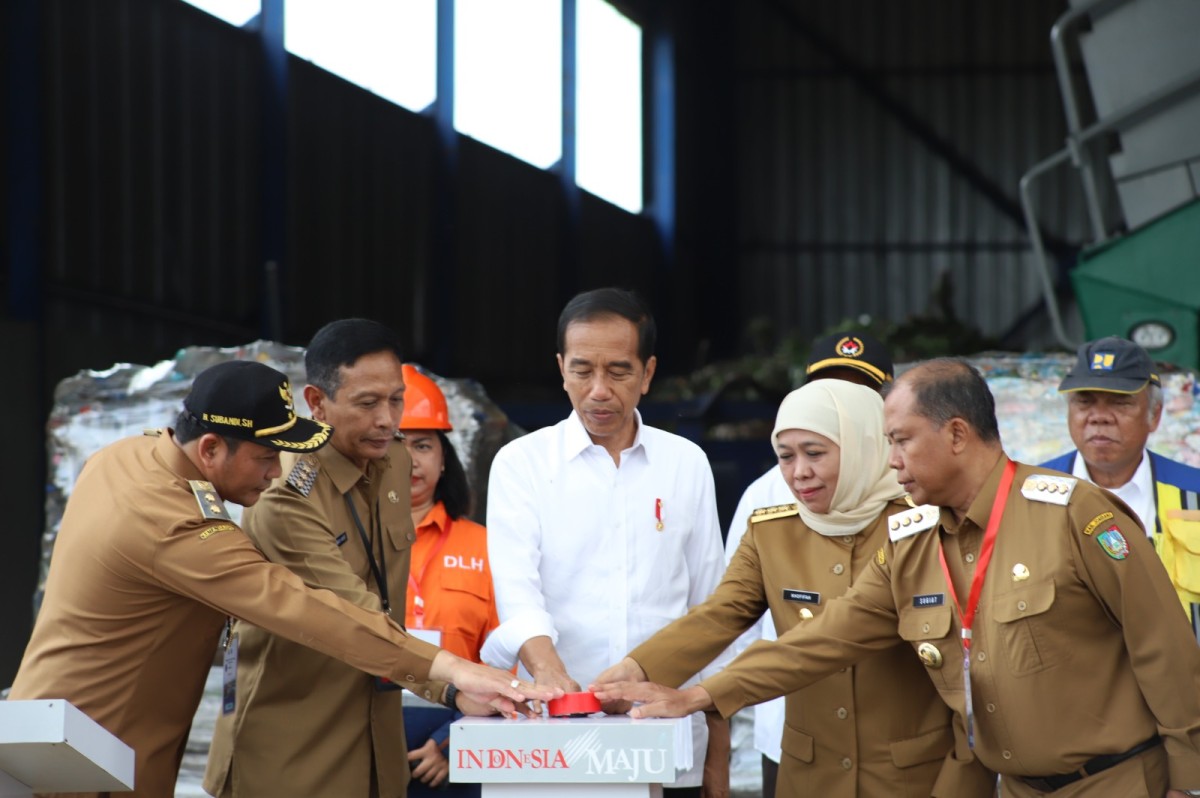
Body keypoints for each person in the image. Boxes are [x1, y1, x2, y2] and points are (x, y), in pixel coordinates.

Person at [596, 358, 1200, 798]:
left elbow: (1163, 648)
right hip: (1015, 787)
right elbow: (824, 638)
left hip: (1115, 782)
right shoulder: (912, 541)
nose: (891, 460)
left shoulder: (1072, 513)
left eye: (902, 441)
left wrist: (1187, 779)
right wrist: (697, 694)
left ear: (957, 434)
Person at [9, 359, 551, 798]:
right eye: (267, 457)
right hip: (85, 766)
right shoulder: (175, 527)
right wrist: (454, 673)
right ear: (210, 449)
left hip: (59, 742)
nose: (276, 474)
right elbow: (302, 607)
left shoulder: (125, 457)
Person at [597, 379, 994, 797]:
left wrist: (700, 695)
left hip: (912, 778)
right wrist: (636, 668)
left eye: (816, 453)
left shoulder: (924, 528)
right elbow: (720, 615)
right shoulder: (772, 532)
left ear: (863, 445)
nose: (798, 472)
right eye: (785, 456)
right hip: (809, 777)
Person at [204, 322, 540, 798]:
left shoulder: (393, 465)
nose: (388, 419)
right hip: (295, 748)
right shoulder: (288, 496)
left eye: (395, 400)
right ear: (317, 402)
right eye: (367, 403)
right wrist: (456, 674)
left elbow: (387, 607)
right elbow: (357, 618)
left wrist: (451, 694)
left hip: (378, 740)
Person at [486, 287, 730, 797]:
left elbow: (713, 610)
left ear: (648, 372)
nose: (599, 390)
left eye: (618, 371)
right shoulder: (521, 464)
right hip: (559, 740)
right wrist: (551, 674)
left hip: (669, 740)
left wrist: (719, 755)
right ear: (560, 368)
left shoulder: (685, 463)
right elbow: (517, 589)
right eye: (582, 370)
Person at [723, 330, 894, 796]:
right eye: (828, 390)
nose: (842, 405)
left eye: (860, 391)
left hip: (891, 749)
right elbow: (731, 614)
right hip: (790, 734)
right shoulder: (768, 494)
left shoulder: (913, 499)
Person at [1043, 336, 1200, 629]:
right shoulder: (1028, 496)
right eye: (1084, 401)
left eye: (1120, 402)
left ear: (1154, 416)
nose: (1099, 417)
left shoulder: (1194, 493)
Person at [399, 364, 499, 797]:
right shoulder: (345, 545)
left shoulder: (487, 547)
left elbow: (506, 661)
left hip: (463, 741)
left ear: (444, 458)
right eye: (394, 446)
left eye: (423, 445)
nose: (409, 460)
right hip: (364, 737)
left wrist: (451, 740)